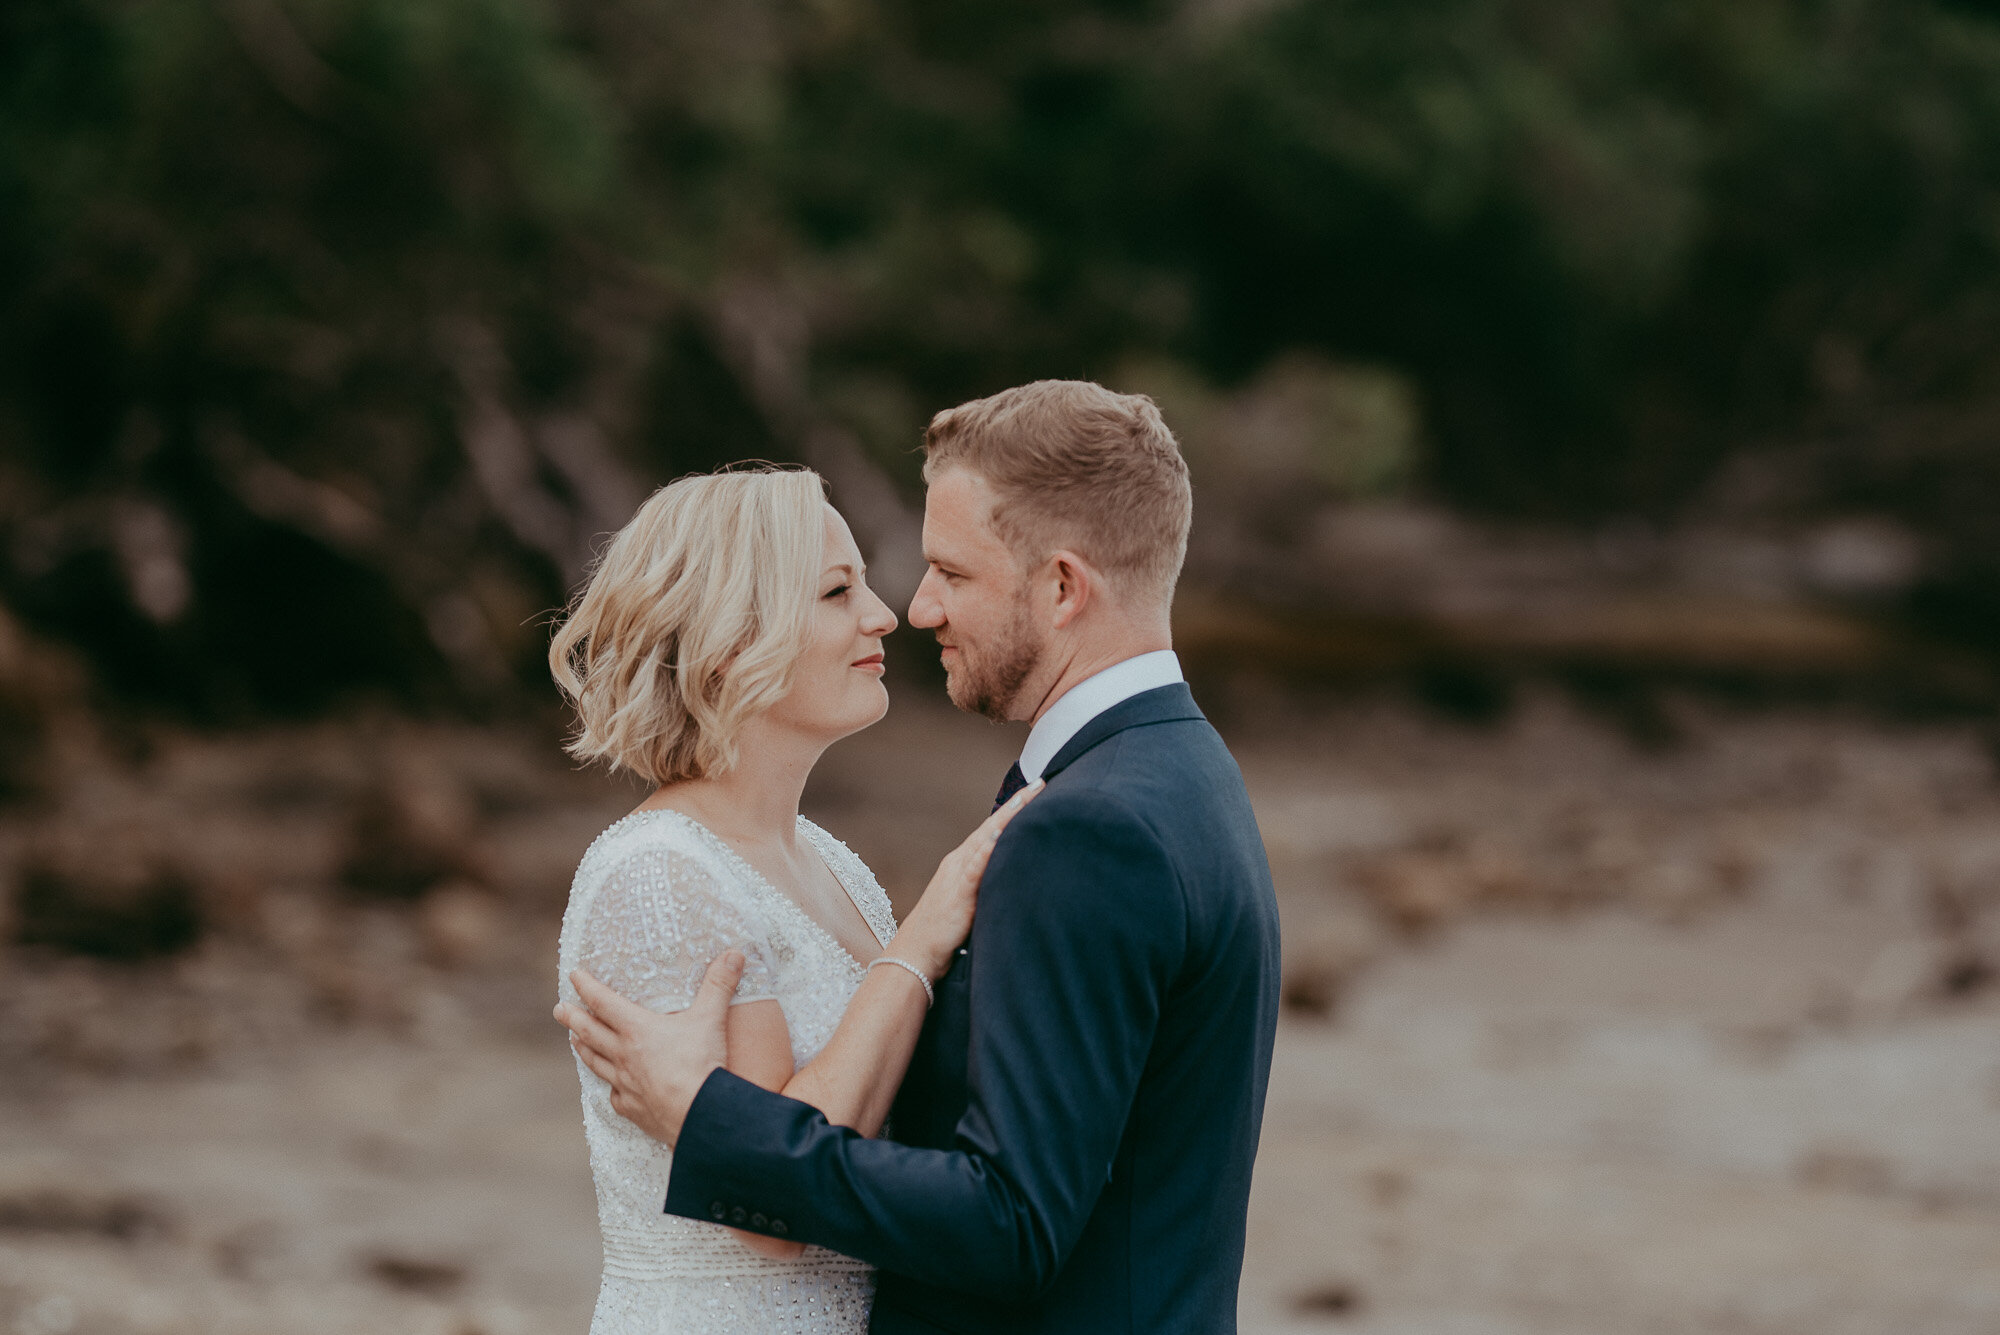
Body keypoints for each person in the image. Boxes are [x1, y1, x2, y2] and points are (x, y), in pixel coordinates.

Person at [559, 381, 1284, 1334]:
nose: (908, 608)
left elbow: (1009, 1214)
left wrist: (707, 1117)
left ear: (1062, 587)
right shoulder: (1180, 773)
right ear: (734, 641)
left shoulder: (1085, 823)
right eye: (838, 589)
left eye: (950, 571)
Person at [548, 466, 1044, 1335]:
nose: (884, 614)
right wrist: (923, 938)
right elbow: (766, 1210)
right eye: (836, 590)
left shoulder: (831, 863)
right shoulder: (660, 875)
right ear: (733, 637)